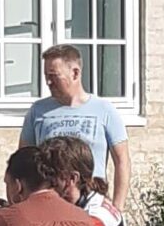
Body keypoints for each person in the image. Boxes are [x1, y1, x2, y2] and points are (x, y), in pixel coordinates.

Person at [19, 43, 131, 210]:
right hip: (51, 204)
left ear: (75, 73)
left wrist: (117, 207)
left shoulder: (104, 110)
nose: (49, 82)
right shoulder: (38, 111)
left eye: (54, 76)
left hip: (92, 204)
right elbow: (24, 161)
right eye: (46, 76)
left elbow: (122, 161)